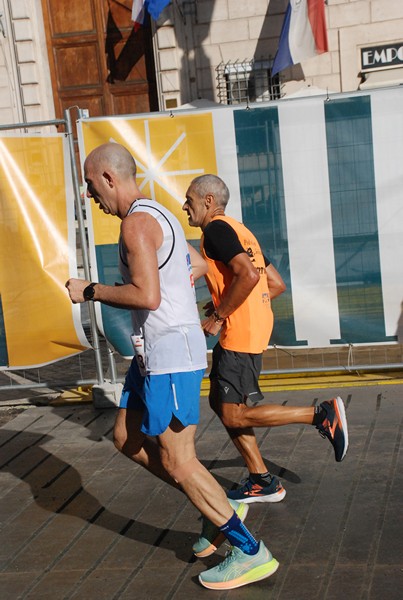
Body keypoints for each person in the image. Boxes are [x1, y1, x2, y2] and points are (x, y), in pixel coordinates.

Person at [65, 143, 279, 590]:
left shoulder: (137, 226)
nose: (90, 196)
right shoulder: (155, 214)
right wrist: (177, 294)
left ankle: (248, 550)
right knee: (125, 436)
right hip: (151, 355)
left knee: (179, 462)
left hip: (169, 355)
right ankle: (219, 507)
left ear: (108, 178)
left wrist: (90, 291)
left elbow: (146, 296)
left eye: (90, 185)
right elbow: (198, 264)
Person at [183, 174, 349, 504]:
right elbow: (273, 283)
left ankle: (320, 415)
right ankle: (262, 480)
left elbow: (248, 275)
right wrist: (224, 300)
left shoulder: (215, 230)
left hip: (239, 335)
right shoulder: (240, 230)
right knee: (221, 403)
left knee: (233, 413)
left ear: (208, 201)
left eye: (189, 199)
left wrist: (219, 315)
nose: (184, 206)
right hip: (251, 329)